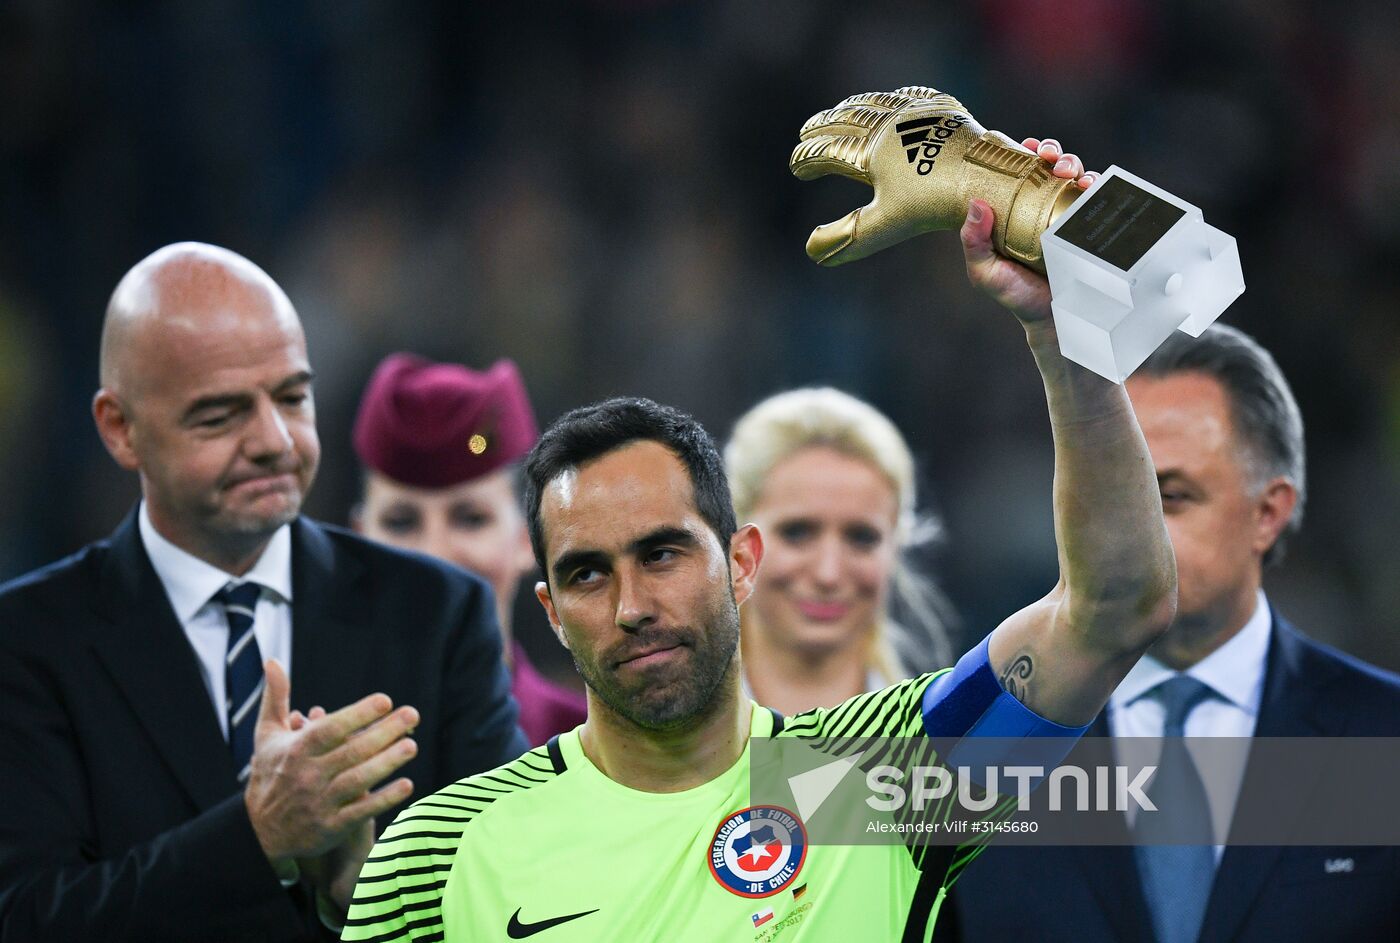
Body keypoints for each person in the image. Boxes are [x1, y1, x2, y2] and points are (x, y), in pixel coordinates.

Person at [341, 137, 1180, 942]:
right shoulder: (437, 851)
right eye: (588, 575)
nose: (633, 605)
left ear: (742, 562)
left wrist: (1060, 336)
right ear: (551, 612)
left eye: (663, 553)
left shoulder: (869, 781)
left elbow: (1113, 607)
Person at [0, 243, 527, 942]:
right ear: (120, 429)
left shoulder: (438, 616)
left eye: (292, 397)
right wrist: (257, 837)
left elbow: (516, 899)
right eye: (219, 415)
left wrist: (363, 900)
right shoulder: (27, 643)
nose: (275, 440)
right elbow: (27, 920)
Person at [944, 324, 1400, 942]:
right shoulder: (978, 738)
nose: (1130, 532)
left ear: (1268, 513)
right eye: (1111, 496)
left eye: (1171, 496)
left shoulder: (1384, 736)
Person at [351, 352, 587, 744]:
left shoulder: (594, 753)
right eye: (401, 522)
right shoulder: (315, 761)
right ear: (359, 539)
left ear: (529, 537)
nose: (435, 555)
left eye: (470, 518)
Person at [723, 387, 951, 714]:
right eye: (797, 532)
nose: (827, 574)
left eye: (861, 538)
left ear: (895, 547)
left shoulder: (947, 739)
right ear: (737, 545)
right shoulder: (649, 743)